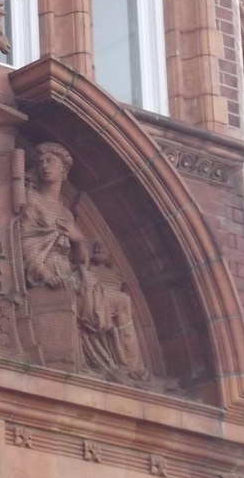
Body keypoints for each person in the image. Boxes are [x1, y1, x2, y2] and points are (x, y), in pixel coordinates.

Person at [21, 142, 148, 380]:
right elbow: (26, 244)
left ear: (64, 171)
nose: (45, 166)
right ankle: (127, 368)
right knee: (120, 303)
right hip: (50, 277)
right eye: (41, 163)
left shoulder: (65, 212)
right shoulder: (32, 201)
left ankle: (130, 369)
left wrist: (79, 241)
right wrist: (46, 276)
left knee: (121, 301)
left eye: (51, 161)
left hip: (71, 276)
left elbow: (80, 260)